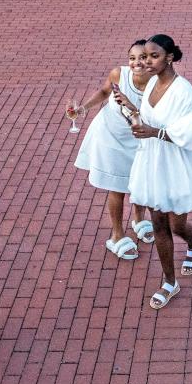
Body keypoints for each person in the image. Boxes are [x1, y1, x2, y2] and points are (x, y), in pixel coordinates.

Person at [114, 35, 192, 310]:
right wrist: (129, 106)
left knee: (177, 225)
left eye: (154, 56)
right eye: (145, 56)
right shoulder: (151, 85)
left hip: (174, 163)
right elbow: (146, 121)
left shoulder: (184, 91)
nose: (147, 61)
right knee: (158, 223)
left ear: (170, 57)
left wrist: (154, 132)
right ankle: (170, 282)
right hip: (151, 161)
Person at [73, 41, 156, 260]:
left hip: (139, 136)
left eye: (142, 57)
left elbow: (153, 115)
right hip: (111, 136)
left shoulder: (158, 83)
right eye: (132, 58)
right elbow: (103, 91)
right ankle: (117, 235)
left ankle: (139, 219)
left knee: (142, 180)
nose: (136, 62)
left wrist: (130, 104)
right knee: (117, 186)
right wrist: (82, 109)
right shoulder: (119, 74)